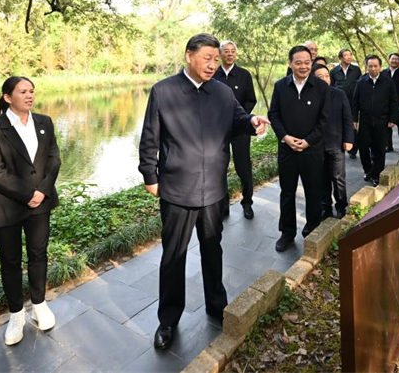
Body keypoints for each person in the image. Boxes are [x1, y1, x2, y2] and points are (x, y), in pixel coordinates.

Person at [138, 33, 271, 351]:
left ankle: (216, 304)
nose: (213, 64)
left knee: (213, 249)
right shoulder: (164, 91)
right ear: (189, 56)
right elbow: (149, 138)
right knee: (173, 256)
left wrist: (252, 121)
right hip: (176, 189)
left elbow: (238, 118)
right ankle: (168, 319)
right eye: (207, 58)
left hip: (213, 187)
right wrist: (149, 175)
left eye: (216, 58)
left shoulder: (223, 93)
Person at [0, 76, 62, 346]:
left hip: (41, 202)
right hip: (7, 205)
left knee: (39, 254)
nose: (29, 96)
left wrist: (42, 191)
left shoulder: (44, 123)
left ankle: (39, 304)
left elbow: (53, 159)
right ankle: (16, 314)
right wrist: (28, 194)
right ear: (7, 97)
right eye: (23, 91)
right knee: (11, 261)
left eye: (32, 91)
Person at [268, 45, 329, 252]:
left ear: (311, 63)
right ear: (290, 64)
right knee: (287, 192)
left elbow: (325, 119)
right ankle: (287, 232)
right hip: (287, 151)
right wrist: (285, 137)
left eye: (307, 62)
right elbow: (273, 114)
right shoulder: (280, 86)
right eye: (298, 62)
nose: (303, 66)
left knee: (314, 192)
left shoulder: (321, 87)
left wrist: (308, 141)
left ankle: (312, 227)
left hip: (312, 151)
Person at [213, 40, 258, 219]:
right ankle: (223, 206)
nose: (230, 54)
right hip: (218, 131)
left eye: (233, 51)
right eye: (226, 51)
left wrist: (241, 118)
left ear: (236, 54)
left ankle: (247, 203)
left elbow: (251, 100)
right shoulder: (213, 74)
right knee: (219, 168)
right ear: (220, 54)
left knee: (243, 167)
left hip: (240, 129)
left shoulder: (244, 75)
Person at [312, 64, 354, 218]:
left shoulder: (339, 94)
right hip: (317, 145)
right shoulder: (309, 96)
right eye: (319, 76)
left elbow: (348, 118)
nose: (324, 79)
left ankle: (341, 205)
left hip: (336, 143)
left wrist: (349, 139)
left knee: (338, 178)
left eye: (326, 75)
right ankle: (326, 207)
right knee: (322, 178)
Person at [351, 56, 399, 187]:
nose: (373, 69)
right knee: (363, 147)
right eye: (370, 66)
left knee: (379, 149)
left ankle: (376, 174)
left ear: (380, 66)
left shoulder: (388, 82)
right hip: (365, 121)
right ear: (366, 67)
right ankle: (367, 170)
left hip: (382, 121)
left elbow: (394, 102)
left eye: (375, 66)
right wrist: (354, 119)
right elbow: (355, 102)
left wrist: (392, 119)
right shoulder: (361, 82)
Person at [330, 49, 361, 159]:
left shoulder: (356, 70)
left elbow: (359, 85)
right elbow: (331, 87)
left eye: (350, 55)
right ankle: (341, 146)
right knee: (340, 124)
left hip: (353, 102)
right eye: (345, 55)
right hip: (339, 102)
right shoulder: (334, 71)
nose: (349, 57)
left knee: (353, 125)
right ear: (340, 58)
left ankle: (353, 149)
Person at [382, 53, 399, 153]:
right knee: (386, 126)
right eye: (392, 59)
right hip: (385, 105)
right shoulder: (383, 73)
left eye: (397, 59)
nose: (394, 61)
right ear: (389, 60)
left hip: (398, 105)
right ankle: (388, 145)